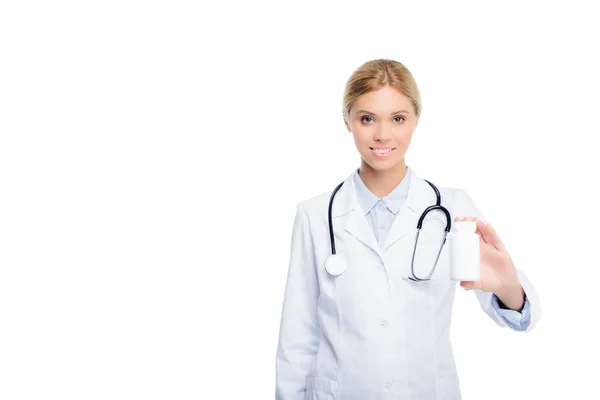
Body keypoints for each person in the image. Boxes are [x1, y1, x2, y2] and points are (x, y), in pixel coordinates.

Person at [275, 59, 541, 400]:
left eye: (398, 119)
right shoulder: (314, 215)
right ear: (347, 121)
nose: (383, 134)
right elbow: (296, 337)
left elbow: (522, 320)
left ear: (416, 120)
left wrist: (508, 288)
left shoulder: (453, 208)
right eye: (367, 118)